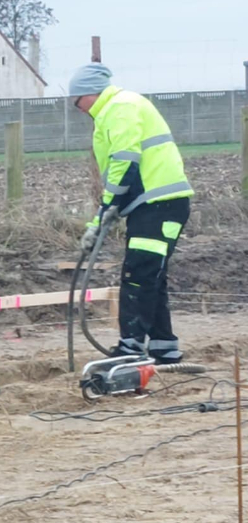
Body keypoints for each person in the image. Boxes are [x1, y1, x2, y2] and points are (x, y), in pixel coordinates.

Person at [69, 63, 195, 363]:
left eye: (77, 101)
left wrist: (107, 208)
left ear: (90, 94)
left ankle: (130, 346)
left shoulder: (119, 107)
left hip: (159, 204)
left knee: (137, 274)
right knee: (152, 274)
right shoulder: (118, 107)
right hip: (155, 203)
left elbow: (124, 161)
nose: (78, 109)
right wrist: (99, 221)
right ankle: (163, 345)